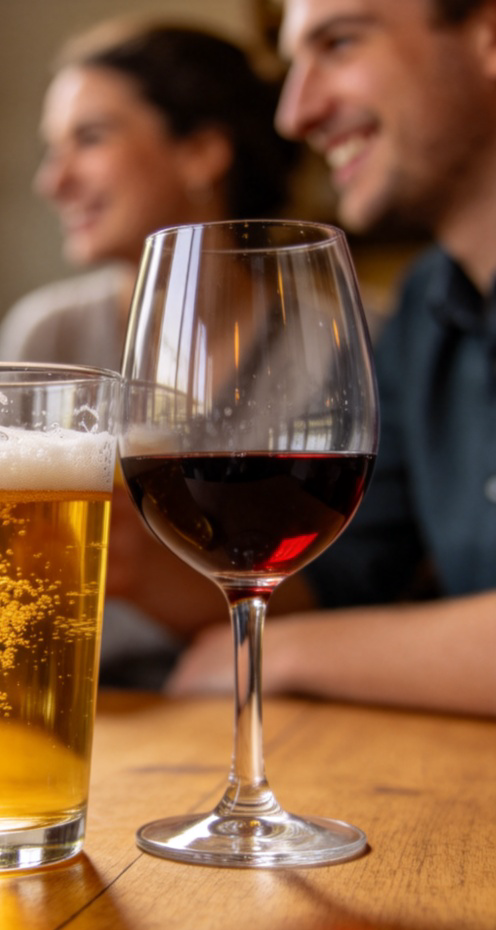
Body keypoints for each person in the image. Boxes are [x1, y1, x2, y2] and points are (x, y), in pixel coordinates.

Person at [167, 0, 496, 717]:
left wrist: (286, 655)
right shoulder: (427, 308)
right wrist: (118, 553)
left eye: (340, 44)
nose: (294, 113)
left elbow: (312, 623)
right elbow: (338, 576)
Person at [0, 20, 299, 686]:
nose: (54, 180)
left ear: (202, 151)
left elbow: (356, 594)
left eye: (90, 138)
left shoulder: (337, 346)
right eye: (54, 149)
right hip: (85, 709)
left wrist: (152, 570)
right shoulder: (47, 339)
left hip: (262, 705)